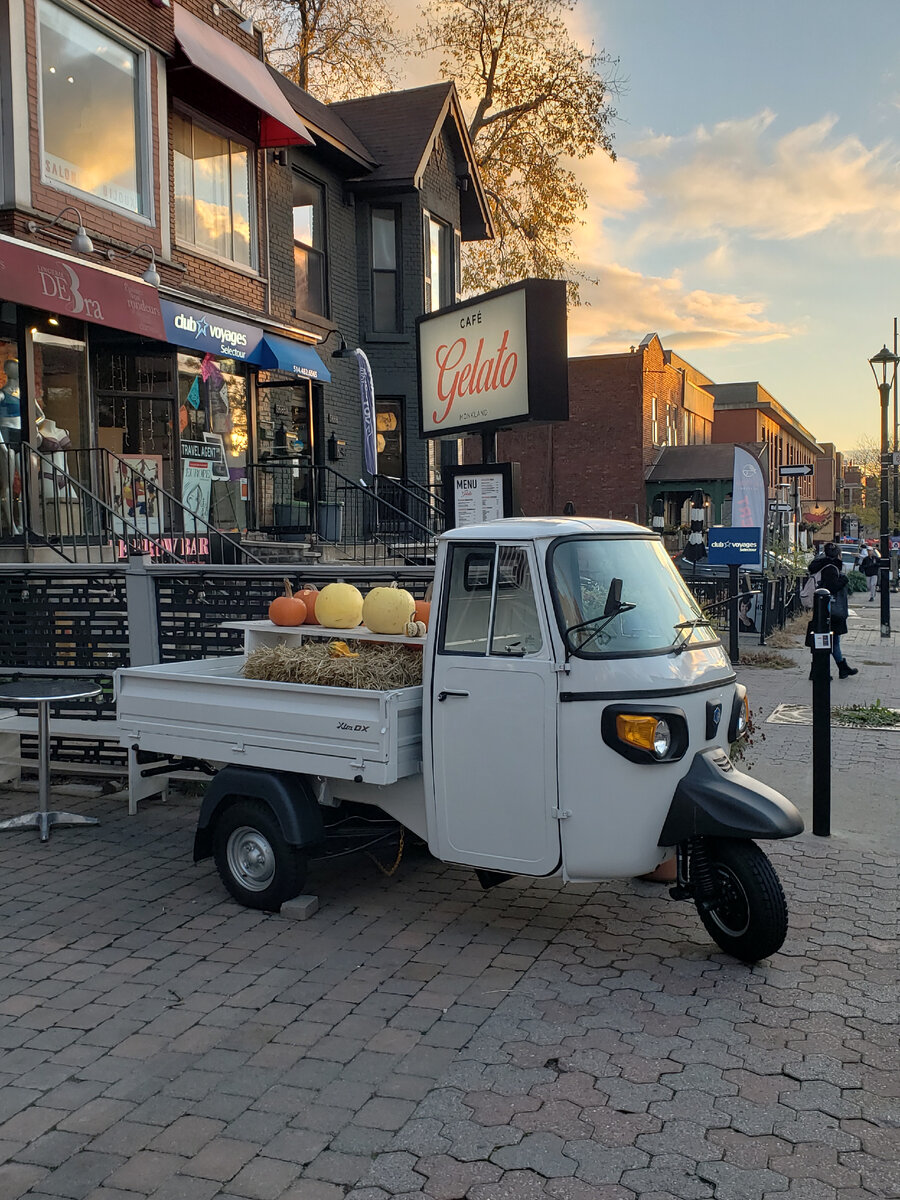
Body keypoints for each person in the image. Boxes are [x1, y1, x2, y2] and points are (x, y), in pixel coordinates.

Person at [806, 542, 857, 679]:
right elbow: (831, 588)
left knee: (827, 640)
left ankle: (837, 668)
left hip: (823, 608)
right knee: (831, 640)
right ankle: (826, 669)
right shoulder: (831, 568)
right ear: (838, 555)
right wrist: (844, 581)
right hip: (831, 609)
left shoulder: (821, 565)